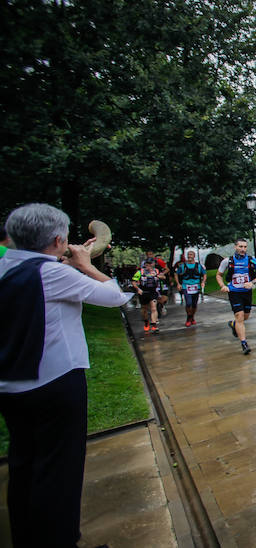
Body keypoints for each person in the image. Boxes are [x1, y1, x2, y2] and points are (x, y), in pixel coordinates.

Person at [0, 203, 131, 546]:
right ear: (59, 239)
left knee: (24, 465)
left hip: (12, 385)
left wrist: (66, 261)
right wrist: (86, 265)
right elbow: (117, 296)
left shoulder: (5, 268)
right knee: (59, 470)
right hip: (55, 383)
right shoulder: (56, 275)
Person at [216, 238, 256, 355]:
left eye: (245, 247)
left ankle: (233, 324)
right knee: (240, 316)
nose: (243, 249)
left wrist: (252, 283)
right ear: (235, 247)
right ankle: (244, 344)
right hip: (234, 292)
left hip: (247, 292)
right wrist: (223, 285)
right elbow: (218, 275)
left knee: (245, 317)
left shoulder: (252, 260)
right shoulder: (227, 261)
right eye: (240, 247)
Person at [175, 250, 207, 327]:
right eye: (188, 254)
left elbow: (204, 274)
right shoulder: (183, 266)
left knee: (194, 304)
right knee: (188, 303)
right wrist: (178, 284)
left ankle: (192, 317)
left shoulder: (198, 266)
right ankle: (188, 318)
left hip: (196, 286)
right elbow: (176, 274)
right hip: (186, 286)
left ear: (194, 256)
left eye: (191, 254)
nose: (189, 256)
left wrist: (203, 282)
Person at [132, 258, 164, 333]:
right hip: (143, 292)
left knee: (153, 308)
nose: (149, 266)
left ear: (153, 264)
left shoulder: (157, 271)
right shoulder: (140, 272)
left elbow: (163, 277)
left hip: (153, 291)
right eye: (147, 264)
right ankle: (146, 322)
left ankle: (154, 325)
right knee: (144, 309)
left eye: (150, 264)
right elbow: (133, 281)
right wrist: (138, 289)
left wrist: (158, 276)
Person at [144, 250, 170, 316]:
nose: (150, 256)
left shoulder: (159, 261)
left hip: (160, 281)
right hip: (150, 282)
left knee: (163, 296)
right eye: (148, 254)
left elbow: (167, 269)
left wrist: (161, 274)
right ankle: (154, 310)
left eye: (151, 254)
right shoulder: (144, 263)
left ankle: (162, 305)